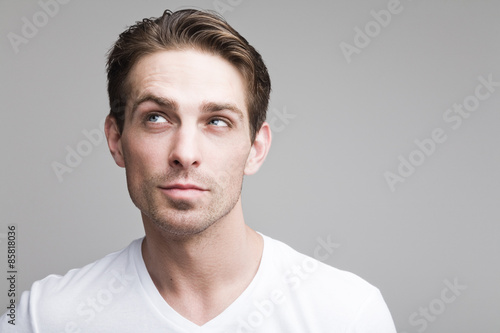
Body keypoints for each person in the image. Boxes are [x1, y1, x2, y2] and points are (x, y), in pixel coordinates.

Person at [1, 9, 397, 332]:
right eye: (156, 118)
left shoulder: (347, 314)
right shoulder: (46, 317)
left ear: (256, 149)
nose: (185, 154)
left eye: (217, 121)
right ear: (116, 139)